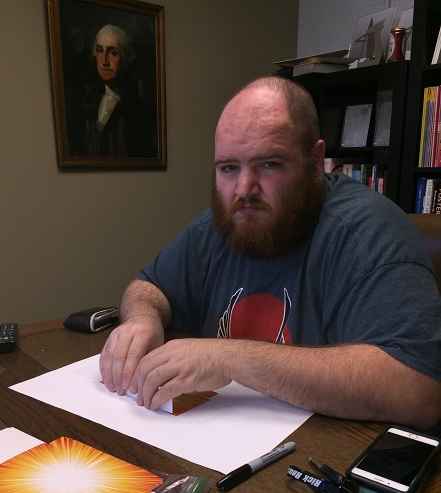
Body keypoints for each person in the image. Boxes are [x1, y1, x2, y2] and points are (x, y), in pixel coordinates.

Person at [100, 76, 441, 429]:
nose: (243, 189)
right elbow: (149, 287)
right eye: (229, 168)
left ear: (315, 161)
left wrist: (229, 358)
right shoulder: (224, 224)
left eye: (269, 164)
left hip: (322, 450)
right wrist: (142, 319)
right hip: (210, 437)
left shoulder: (368, 233)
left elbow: (421, 389)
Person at [67, 24, 157, 158]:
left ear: (125, 58)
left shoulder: (135, 101)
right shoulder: (84, 92)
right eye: (99, 51)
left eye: (113, 53)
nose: (104, 61)